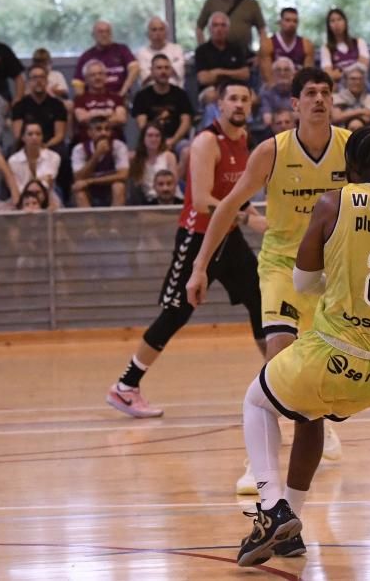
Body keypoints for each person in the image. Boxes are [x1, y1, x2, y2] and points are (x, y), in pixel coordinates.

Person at [229, 126, 370, 566]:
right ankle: (291, 531)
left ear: (348, 166)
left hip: (335, 352)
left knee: (257, 401)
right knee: (307, 412)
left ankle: (272, 507)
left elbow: (302, 282)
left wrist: (339, 276)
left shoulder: (335, 201)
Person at [188, 67, 354, 485]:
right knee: (279, 352)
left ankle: (320, 422)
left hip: (329, 270)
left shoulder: (351, 148)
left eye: (325, 93)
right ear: (295, 105)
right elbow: (226, 207)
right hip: (281, 264)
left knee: (319, 364)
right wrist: (199, 266)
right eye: (310, 93)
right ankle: (259, 464)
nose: (319, 99)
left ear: (333, 101)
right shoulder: (272, 152)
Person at [107, 81, 267, 420]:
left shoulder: (243, 140)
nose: (239, 104)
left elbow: (237, 192)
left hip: (229, 235)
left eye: (244, 99)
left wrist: (253, 214)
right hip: (197, 237)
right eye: (232, 98)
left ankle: (277, 383)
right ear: (219, 106)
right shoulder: (207, 142)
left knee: (260, 298)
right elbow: (202, 199)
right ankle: (125, 386)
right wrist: (247, 218)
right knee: (175, 312)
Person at [130, 54, 195, 146]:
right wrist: (157, 142)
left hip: (177, 140)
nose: (163, 71)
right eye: (159, 68)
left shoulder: (181, 94)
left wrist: (173, 141)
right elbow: (142, 125)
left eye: (166, 68)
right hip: (151, 141)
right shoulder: (142, 96)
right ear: (152, 71)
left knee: (186, 150)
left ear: (171, 71)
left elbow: (186, 121)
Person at [70, 116, 130, 208]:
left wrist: (90, 181)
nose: (104, 133)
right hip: (90, 192)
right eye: (98, 129)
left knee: (119, 186)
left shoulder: (118, 146)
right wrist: (96, 155)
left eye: (107, 129)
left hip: (110, 191)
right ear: (89, 133)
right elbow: (78, 178)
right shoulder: (79, 149)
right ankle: (89, 222)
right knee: (79, 192)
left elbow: (123, 175)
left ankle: (115, 222)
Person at [194, 12, 255, 100]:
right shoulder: (201, 50)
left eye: (223, 25)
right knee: (211, 96)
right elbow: (203, 79)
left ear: (228, 28)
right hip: (211, 89)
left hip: (235, 87)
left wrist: (219, 72)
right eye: (215, 25)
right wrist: (234, 74)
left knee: (253, 98)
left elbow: (245, 74)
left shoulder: (236, 48)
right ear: (209, 28)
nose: (219, 29)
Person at [9, 64, 69, 152]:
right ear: (28, 82)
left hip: (51, 145)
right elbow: (18, 135)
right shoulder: (19, 106)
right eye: (34, 77)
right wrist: (33, 146)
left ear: (47, 81)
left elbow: (59, 135)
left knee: (63, 154)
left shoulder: (58, 105)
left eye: (42, 77)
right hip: (27, 145)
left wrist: (44, 146)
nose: (38, 81)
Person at [74, 20, 138, 101]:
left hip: (120, 96)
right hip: (93, 101)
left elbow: (135, 68)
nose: (104, 35)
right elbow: (78, 83)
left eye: (107, 31)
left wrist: (122, 93)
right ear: (93, 35)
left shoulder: (122, 50)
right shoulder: (86, 56)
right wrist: (82, 103)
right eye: (100, 32)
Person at [73, 59, 128, 143]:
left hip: (115, 142)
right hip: (87, 142)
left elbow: (121, 119)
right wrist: (109, 114)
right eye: (93, 75)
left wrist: (92, 115)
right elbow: (82, 119)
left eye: (100, 74)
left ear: (106, 77)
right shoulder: (80, 99)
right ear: (86, 80)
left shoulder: (117, 98)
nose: (97, 77)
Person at [125, 124, 178, 204]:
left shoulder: (169, 156)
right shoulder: (134, 158)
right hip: (147, 201)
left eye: (157, 136)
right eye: (150, 136)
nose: (153, 139)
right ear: (143, 138)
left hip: (168, 198)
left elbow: (173, 183)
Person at [7, 121, 62, 197]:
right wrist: (40, 179)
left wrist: (33, 183)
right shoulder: (13, 161)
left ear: (42, 137)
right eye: (30, 134)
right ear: (23, 137)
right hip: (22, 198)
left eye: (38, 134)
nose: (34, 137)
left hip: (47, 197)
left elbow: (46, 185)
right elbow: (18, 189)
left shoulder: (53, 157)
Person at [260, 7, 314, 84]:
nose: (292, 24)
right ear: (280, 22)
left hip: (297, 88)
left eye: (295, 21)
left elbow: (307, 77)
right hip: (274, 89)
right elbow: (267, 77)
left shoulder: (307, 45)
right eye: (287, 20)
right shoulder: (268, 44)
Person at [317, 8, 369, 85]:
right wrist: (354, 67)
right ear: (329, 26)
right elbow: (328, 75)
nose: (336, 23)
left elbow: (363, 67)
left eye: (339, 19)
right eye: (332, 21)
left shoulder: (359, 42)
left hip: (361, 86)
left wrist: (341, 72)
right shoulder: (326, 48)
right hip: (339, 90)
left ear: (345, 22)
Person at [135, 16, 186, 87]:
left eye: (161, 29)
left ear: (166, 32)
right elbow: (145, 78)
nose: (158, 33)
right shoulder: (141, 53)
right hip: (150, 94)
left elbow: (178, 72)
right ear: (148, 34)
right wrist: (168, 69)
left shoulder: (177, 49)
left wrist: (155, 72)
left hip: (175, 92)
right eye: (154, 30)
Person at [330, 65, 370, 130]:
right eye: (353, 79)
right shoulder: (337, 98)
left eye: (360, 79)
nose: (357, 82)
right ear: (346, 81)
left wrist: (346, 114)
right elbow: (336, 117)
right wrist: (361, 111)